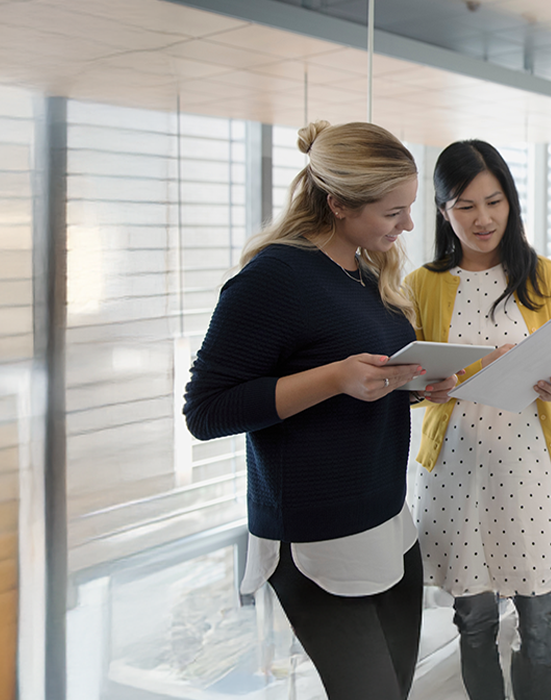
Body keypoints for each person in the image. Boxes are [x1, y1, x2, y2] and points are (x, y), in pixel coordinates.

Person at [184, 121, 451, 700]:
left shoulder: (364, 270)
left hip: (387, 522)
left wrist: (409, 386)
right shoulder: (273, 279)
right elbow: (206, 412)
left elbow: (354, 385)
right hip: (315, 539)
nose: (408, 224)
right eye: (392, 212)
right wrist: (334, 377)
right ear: (337, 203)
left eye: (408, 208)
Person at [408, 140, 551, 700]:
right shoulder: (422, 285)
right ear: (443, 212)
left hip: (529, 468)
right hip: (457, 470)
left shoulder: (545, 276)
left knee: (539, 626)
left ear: (511, 202)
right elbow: (406, 382)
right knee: (475, 622)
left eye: (495, 201)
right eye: (465, 206)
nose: (483, 218)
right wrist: (425, 388)